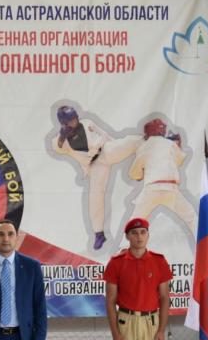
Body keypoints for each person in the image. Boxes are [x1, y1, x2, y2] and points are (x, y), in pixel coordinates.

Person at [49, 103, 141, 250]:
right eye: (71, 120)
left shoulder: (87, 123)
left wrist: (117, 145)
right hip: (95, 165)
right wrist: (62, 136)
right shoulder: (62, 140)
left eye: (75, 117)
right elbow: (56, 147)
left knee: (129, 141)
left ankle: (150, 140)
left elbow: (105, 135)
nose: (75, 120)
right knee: (95, 197)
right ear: (64, 123)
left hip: (105, 150)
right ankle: (99, 234)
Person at [126, 118, 196, 239]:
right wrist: (177, 145)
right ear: (161, 131)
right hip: (171, 189)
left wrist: (141, 174)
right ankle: (206, 244)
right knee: (191, 217)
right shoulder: (170, 144)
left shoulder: (144, 146)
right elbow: (179, 161)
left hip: (151, 190)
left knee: (134, 222)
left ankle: (123, 247)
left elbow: (133, 174)